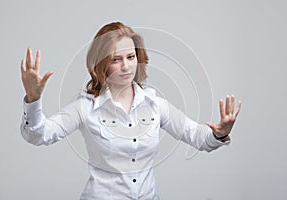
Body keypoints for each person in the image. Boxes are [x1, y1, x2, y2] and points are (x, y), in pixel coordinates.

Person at [20, 22, 241, 200]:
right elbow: (39, 135)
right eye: (116, 59)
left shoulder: (155, 104)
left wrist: (218, 133)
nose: (126, 66)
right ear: (101, 64)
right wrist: (33, 100)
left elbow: (196, 135)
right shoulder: (84, 107)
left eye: (131, 57)